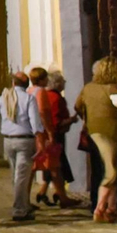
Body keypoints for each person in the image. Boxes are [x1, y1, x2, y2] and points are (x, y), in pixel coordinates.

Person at [75, 57, 117, 222]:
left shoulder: (88, 88)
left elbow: (77, 106)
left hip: (93, 132)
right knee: (111, 172)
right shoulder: (114, 89)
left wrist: (88, 119)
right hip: (112, 133)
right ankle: (99, 208)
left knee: (101, 169)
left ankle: (111, 207)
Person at [0, 70, 46, 221]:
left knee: (16, 174)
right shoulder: (29, 98)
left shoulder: (5, 97)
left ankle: (23, 205)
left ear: (13, 83)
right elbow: (35, 122)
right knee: (22, 176)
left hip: (8, 140)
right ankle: (19, 210)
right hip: (24, 141)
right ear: (26, 84)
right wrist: (40, 140)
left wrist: (3, 119)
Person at [34, 69, 81, 208]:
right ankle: (61, 196)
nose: (64, 83)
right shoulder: (55, 98)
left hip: (47, 134)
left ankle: (46, 192)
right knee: (57, 166)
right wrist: (71, 120)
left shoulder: (44, 95)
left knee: (52, 165)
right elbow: (55, 120)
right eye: (62, 81)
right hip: (55, 135)